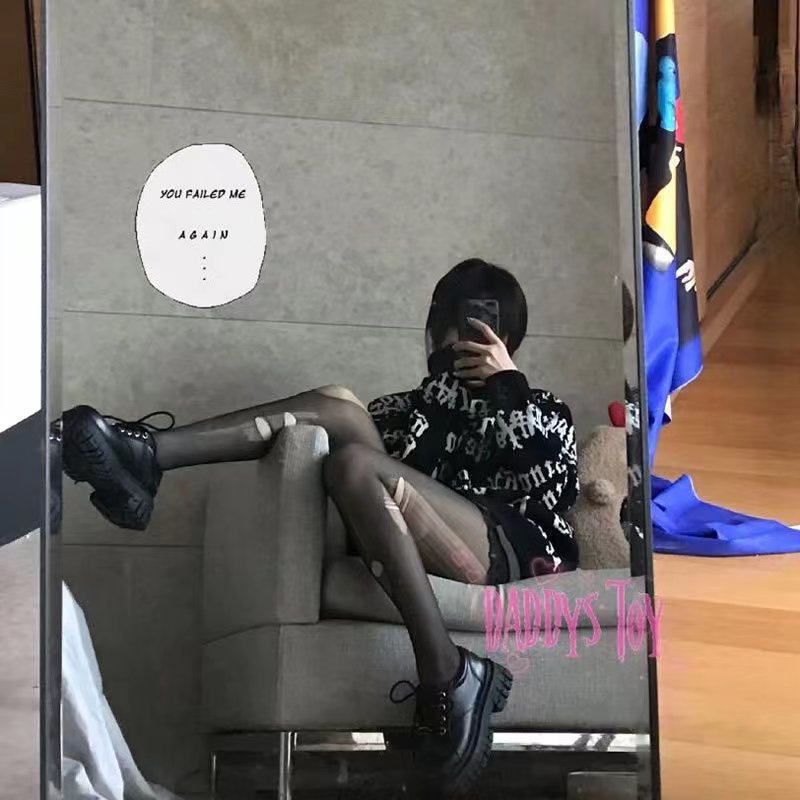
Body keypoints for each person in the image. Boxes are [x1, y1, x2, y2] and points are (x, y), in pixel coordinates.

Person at [55, 258, 579, 796]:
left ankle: (447, 670)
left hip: (499, 551)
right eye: (452, 322)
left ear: (508, 337)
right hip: (405, 541)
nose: (459, 337)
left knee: (354, 458)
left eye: (481, 323)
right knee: (342, 411)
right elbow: (384, 486)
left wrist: (505, 388)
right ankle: (149, 456)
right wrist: (441, 402)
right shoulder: (402, 411)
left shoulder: (543, 409)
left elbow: (548, 491)